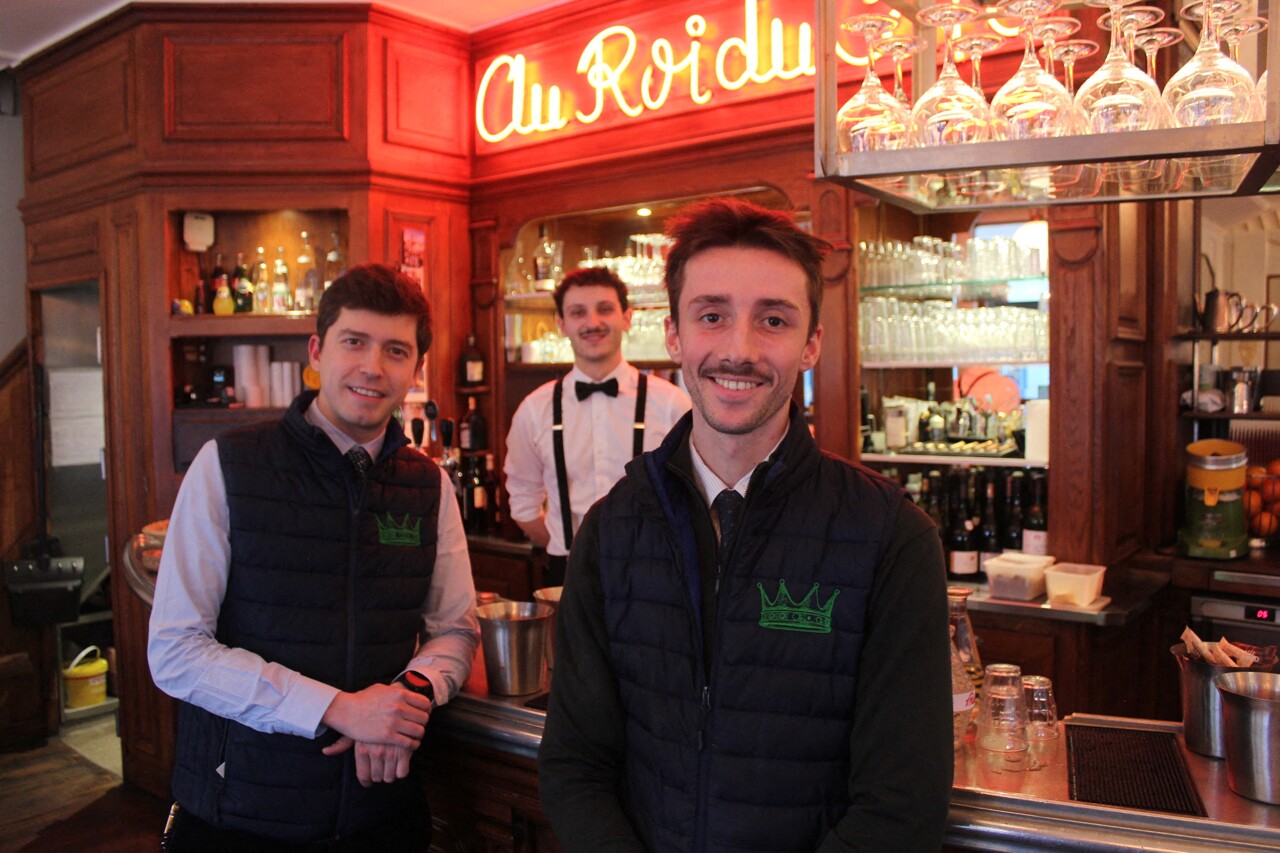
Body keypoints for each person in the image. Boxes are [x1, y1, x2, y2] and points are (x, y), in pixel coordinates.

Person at [538, 198, 953, 852]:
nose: (739, 349)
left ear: (812, 342)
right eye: (712, 316)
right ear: (673, 333)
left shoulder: (891, 537)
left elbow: (904, 803)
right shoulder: (612, 528)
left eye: (774, 319)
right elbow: (575, 764)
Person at [149, 263, 479, 851]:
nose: (372, 367)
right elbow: (175, 651)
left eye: (396, 350)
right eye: (354, 342)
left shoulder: (428, 484)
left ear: (416, 369)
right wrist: (337, 708)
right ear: (317, 350)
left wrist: (406, 699)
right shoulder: (227, 464)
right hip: (241, 813)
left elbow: (455, 628)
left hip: (381, 812)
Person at [504, 265, 690, 584]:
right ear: (561, 324)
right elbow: (522, 504)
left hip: (656, 573)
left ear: (627, 317)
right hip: (567, 574)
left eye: (604, 309)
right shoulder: (534, 410)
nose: (592, 323)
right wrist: (567, 546)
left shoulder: (673, 406)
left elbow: (694, 498)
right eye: (578, 313)